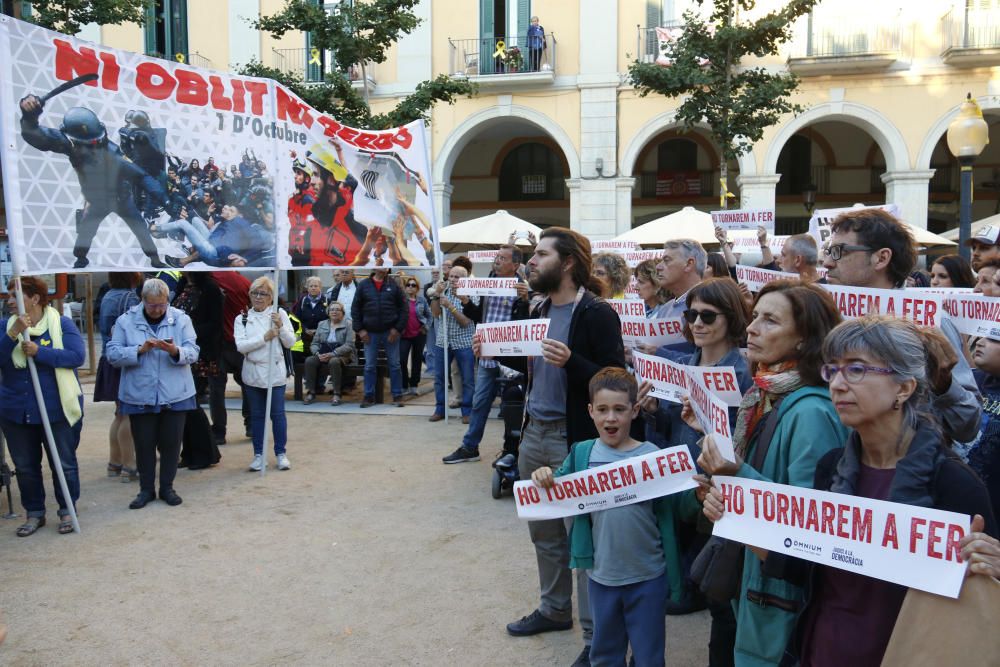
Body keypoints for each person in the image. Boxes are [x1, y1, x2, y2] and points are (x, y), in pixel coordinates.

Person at [703, 315, 998, 666]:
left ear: (904, 389)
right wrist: (738, 515)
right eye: (833, 370)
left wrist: (992, 565)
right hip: (819, 650)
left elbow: (982, 605)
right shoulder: (832, 467)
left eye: (856, 370)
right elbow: (804, 567)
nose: (838, 384)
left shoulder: (954, 485)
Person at [486, 228, 626, 667]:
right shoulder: (537, 306)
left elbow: (615, 378)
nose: (531, 260)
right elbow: (531, 366)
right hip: (533, 433)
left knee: (582, 539)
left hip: (576, 437)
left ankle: (595, 638)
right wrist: (492, 350)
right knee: (544, 531)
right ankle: (553, 609)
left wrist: (573, 362)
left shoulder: (597, 313)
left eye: (541, 254)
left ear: (566, 263)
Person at [690, 279, 849, 667]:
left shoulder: (811, 412)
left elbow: (809, 521)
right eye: (755, 316)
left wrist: (736, 473)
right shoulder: (763, 393)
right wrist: (716, 490)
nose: (751, 328)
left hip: (781, 596)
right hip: (755, 580)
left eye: (770, 320)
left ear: (804, 339)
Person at [531, 369, 698, 667]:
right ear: (590, 411)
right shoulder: (581, 454)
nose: (611, 418)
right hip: (601, 576)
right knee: (605, 654)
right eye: (603, 410)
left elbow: (681, 508)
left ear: (634, 411)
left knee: (649, 656)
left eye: (620, 410)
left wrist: (698, 493)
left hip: (648, 576)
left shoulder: (653, 456)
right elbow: (555, 490)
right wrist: (543, 476)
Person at [637, 277, 752, 657]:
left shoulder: (744, 372)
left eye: (707, 315)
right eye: (691, 315)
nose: (697, 323)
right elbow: (668, 426)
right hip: (677, 482)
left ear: (731, 317)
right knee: (683, 563)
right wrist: (652, 410)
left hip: (718, 490)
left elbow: (745, 438)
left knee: (718, 587)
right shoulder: (681, 364)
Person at [822, 207, 981, 443]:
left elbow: (969, 425)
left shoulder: (928, 322)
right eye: (827, 251)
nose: (827, 262)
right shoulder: (827, 317)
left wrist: (944, 386)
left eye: (838, 252)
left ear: (881, 258)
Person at [18, 96, 168, 269]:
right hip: (98, 200)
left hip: (121, 199)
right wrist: (30, 116)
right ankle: (81, 258)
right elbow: (35, 136)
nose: (91, 150)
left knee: (139, 228)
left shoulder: (112, 154)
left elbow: (141, 176)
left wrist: (164, 199)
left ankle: (154, 259)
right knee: (86, 231)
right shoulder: (70, 144)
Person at [1, 277, 84, 536]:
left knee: (64, 464)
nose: (10, 301)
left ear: (35, 298)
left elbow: (76, 356)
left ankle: (67, 510)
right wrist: (11, 335)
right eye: (9, 296)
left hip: (56, 408)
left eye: (16, 296)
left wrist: (40, 352)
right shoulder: (5, 327)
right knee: (25, 467)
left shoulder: (61, 324)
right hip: (16, 410)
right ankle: (34, 512)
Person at [107, 278, 199, 509]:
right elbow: (113, 354)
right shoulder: (125, 321)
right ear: (143, 301)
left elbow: (194, 351)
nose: (158, 310)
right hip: (140, 394)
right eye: (152, 305)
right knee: (144, 444)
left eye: (162, 304)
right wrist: (139, 350)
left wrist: (175, 351)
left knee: (171, 445)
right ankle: (145, 490)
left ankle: (167, 488)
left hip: (175, 393)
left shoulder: (181, 319)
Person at [443, 245, 529, 464]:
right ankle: (470, 447)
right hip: (486, 355)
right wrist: (464, 301)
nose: (497, 260)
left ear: (515, 265)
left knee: (512, 406)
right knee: (480, 402)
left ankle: (511, 451)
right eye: (496, 257)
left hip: (513, 358)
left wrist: (527, 300)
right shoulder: (487, 282)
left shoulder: (524, 288)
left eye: (503, 258)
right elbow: (477, 316)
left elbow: (529, 322)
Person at [235, 277, 296, 472]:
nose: (259, 297)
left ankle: (280, 453)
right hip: (253, 372)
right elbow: (241, 346)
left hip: (274, 372)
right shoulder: (242, 318)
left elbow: (290, 342)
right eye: (255, 293)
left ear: (271, 297)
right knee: (257, 415)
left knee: (278, 415)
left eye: (264, 294)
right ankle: (259, 455)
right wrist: (264, 337)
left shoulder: (279, 314)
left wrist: (281, 328)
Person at [95, 272, 142, 483]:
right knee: (129, 414)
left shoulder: (108, 294)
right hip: (123, 359)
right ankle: (129, 465)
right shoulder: (129, 298)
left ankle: (114, 462)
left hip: (109, 358)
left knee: (120, 414)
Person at [428, 263, 481, 423]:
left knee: (467, 378)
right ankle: (440, 409)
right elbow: (436, 314)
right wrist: (436, 296)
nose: (452, 279)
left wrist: (450, 306)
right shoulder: (442, 290)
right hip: (443, 340)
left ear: (465, 279)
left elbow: (465, 322)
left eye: (456, 277)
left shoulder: (472, 295)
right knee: (439, 377)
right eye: (451, 276)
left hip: (464, 341)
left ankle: (467, 410)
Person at [352, 268, 407, 407]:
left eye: (385, 266)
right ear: (373, 267)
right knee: (369, 366)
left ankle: (397, 395)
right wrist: (360, 330)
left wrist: (397, 329)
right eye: (379, 265)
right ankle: (368, 396)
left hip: (391, 332)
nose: (382, 269)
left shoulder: (394, 285)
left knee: (394, 365)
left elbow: (404, 309)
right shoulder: (363, 285)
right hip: (369, 333)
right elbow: (355, 309)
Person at [209, 271, 252, 444]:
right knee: (248, 385)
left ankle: (219, 432)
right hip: (240, 342)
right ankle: (251, 425)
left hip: (216, 344)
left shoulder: (208, 277)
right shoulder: (244, 281)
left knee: (216, 390)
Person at [967, 336, 1000, 522]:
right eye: (980, 336)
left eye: (994, 339)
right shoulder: (968, 380)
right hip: (959, 500)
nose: (980, 343)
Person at [304, 302, 356, 406]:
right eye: (332, 309)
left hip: (342, 355)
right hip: (323, 354)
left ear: (343, 313)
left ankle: (337, 393)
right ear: (328, 312)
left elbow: (349, 345)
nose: (334, 312)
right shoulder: (322, 324)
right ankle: (311, 392)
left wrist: (333, 354)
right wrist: (318, 354)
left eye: (337, 309)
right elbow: (314, 343)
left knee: (334, 361)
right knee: (310, 360)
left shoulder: (349, 324)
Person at [399, 276, 431, 397]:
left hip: (419, 334)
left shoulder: (422, 300)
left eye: (413, 285)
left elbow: (429, 315)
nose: (410, 287)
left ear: (417, 288)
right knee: (402, 360)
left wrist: (426, 327)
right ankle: (404, 385)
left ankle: (414, 385)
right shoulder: (401, 300)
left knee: (417, 360)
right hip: (404, 334)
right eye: (408, 285)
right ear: (405, 287)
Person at [293, 276, 329, 355]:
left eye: (316, 286)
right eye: (311, 286)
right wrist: (305, 329)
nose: (313, 288)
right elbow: (296, 319)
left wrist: (318, 330)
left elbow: (330, 319)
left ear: (320, 287)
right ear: (307, 288)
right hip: (305, 337)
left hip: (322, 337)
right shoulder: (302, 301)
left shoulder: (327, 301)